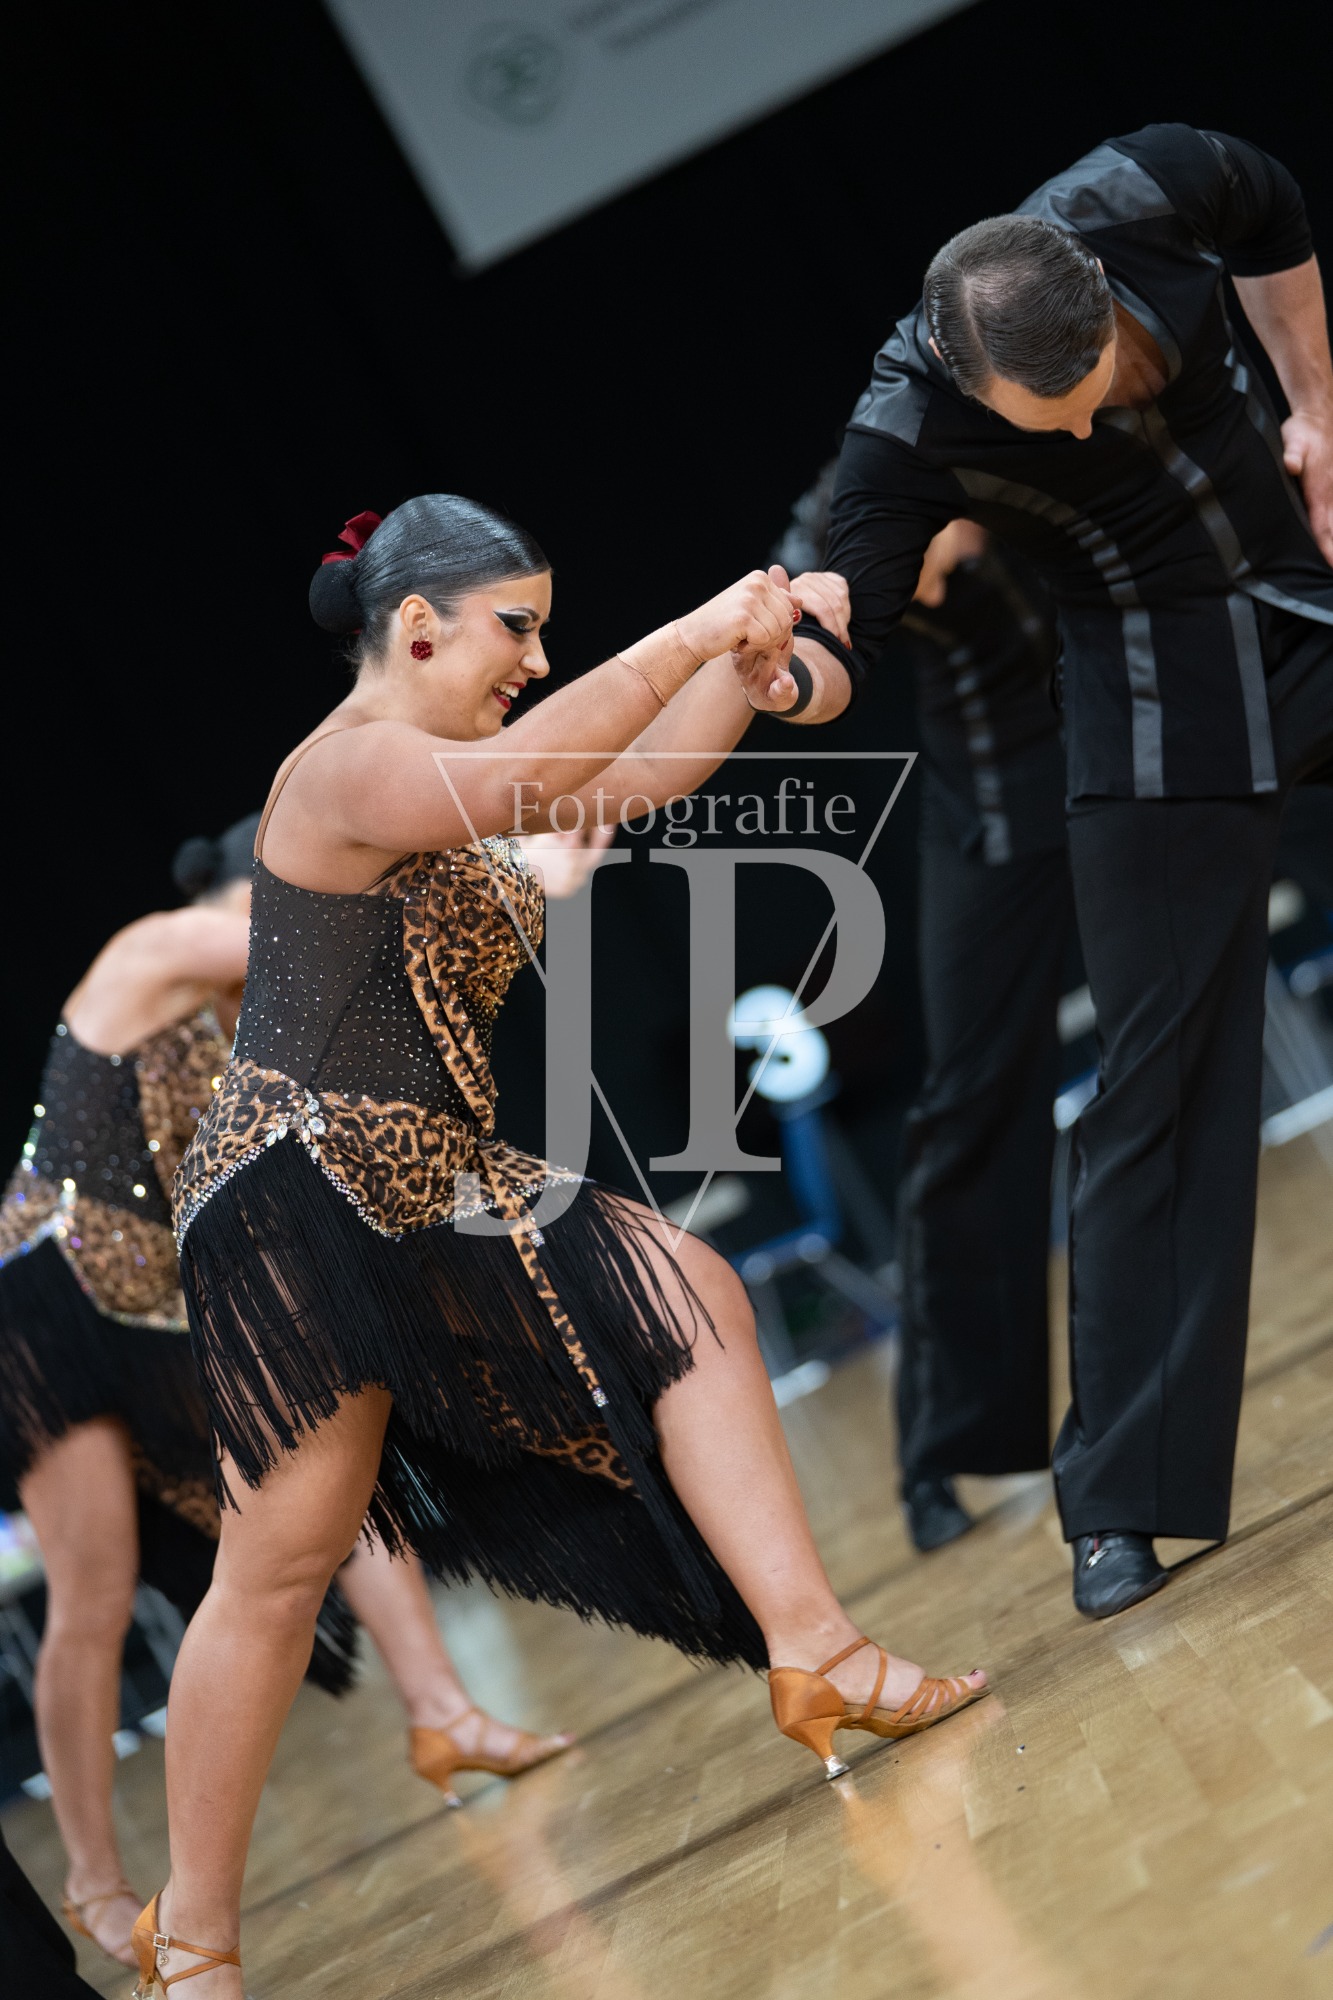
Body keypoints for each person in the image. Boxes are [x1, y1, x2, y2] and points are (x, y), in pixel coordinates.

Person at [131, 497, 989, 1997]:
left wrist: (749, 652)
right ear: (416, 629)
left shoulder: (458, 785)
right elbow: (535, 771)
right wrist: (691, 630)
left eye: (542, 629)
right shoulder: (346, 766)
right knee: (280, 1568)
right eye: (514, 627)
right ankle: (191, 1929)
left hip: (430, 1177)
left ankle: (820, 1649)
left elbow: (633, 775)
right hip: (298, 1191)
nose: (533, 656)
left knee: (690, 1288)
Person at [767, 125, 1333, 1616]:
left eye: (1091, 386)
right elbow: (840, 642)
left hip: (1307, 585)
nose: (1083, 429)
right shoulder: (898, 439)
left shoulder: (1149, 185)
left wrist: (1319, 404)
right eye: (1048, 419)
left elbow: (1271, 205)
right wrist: (782, 676)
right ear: (967, 386)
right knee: (1155, 1081)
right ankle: (1120, 1500)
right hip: (1155, 704)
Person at [0, 821, 567, 1971]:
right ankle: (93, 1876)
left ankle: (444, 1712)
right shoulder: (161, 944)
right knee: (93, 1591)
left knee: (334, 1486)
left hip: (165, 1301)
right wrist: (512, 858)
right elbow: (328, 939)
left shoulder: (260, 1020)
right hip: (49, 1293)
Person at [777, 487, 1072, 1550]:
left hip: (1140, 770)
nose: (922, 585)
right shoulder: (848, 529)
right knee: (969, 1123)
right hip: (989, 823)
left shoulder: (1006, 466)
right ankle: (942, 1449)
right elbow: (805, 636)